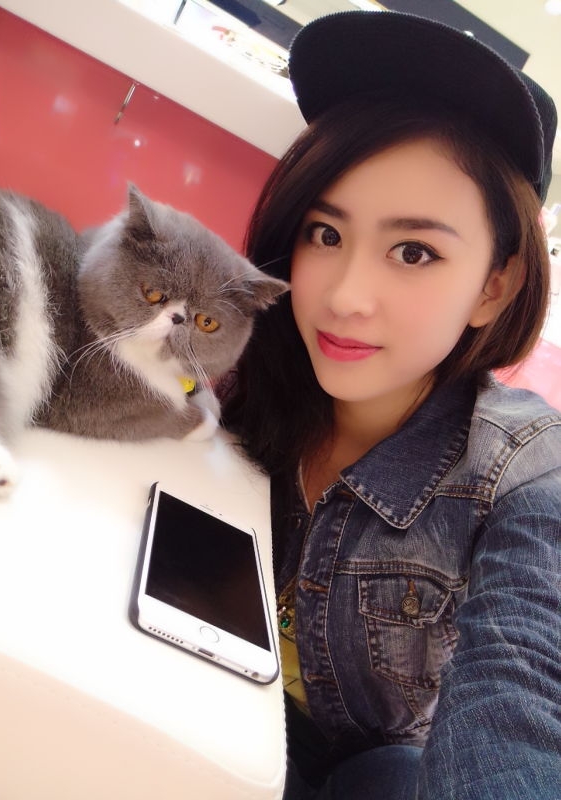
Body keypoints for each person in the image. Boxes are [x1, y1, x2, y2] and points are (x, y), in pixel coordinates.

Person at [220, 9, 561, 800]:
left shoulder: (524, 470)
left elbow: (522, 686)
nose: (346, 297)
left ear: (495, 285)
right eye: (325, 234)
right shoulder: (238, 356)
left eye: (414, 252)